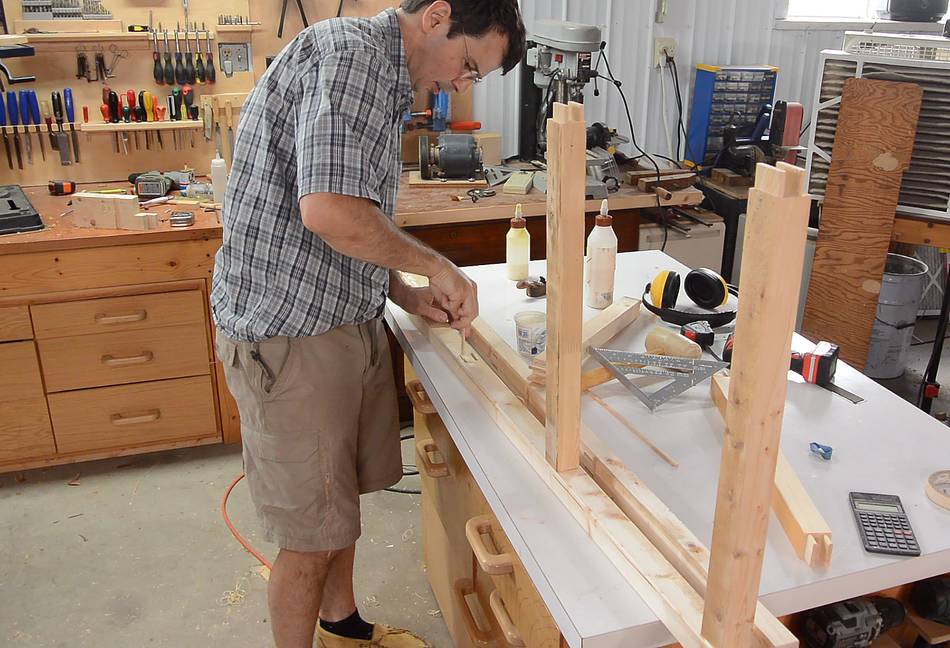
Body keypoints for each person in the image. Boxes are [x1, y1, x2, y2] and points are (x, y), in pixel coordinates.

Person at [210, 1, 525, 646]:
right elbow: (327, 210)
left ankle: (343, 629)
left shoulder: (388, 78)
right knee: (309, 536)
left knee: (337, 509)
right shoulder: (350, 57)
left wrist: (403, 291)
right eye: (468, 64)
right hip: (290, 333)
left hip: (338, 317)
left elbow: (354, 219)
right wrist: (435, 267)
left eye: (474, 76)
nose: (461, 84)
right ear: (437, 16)